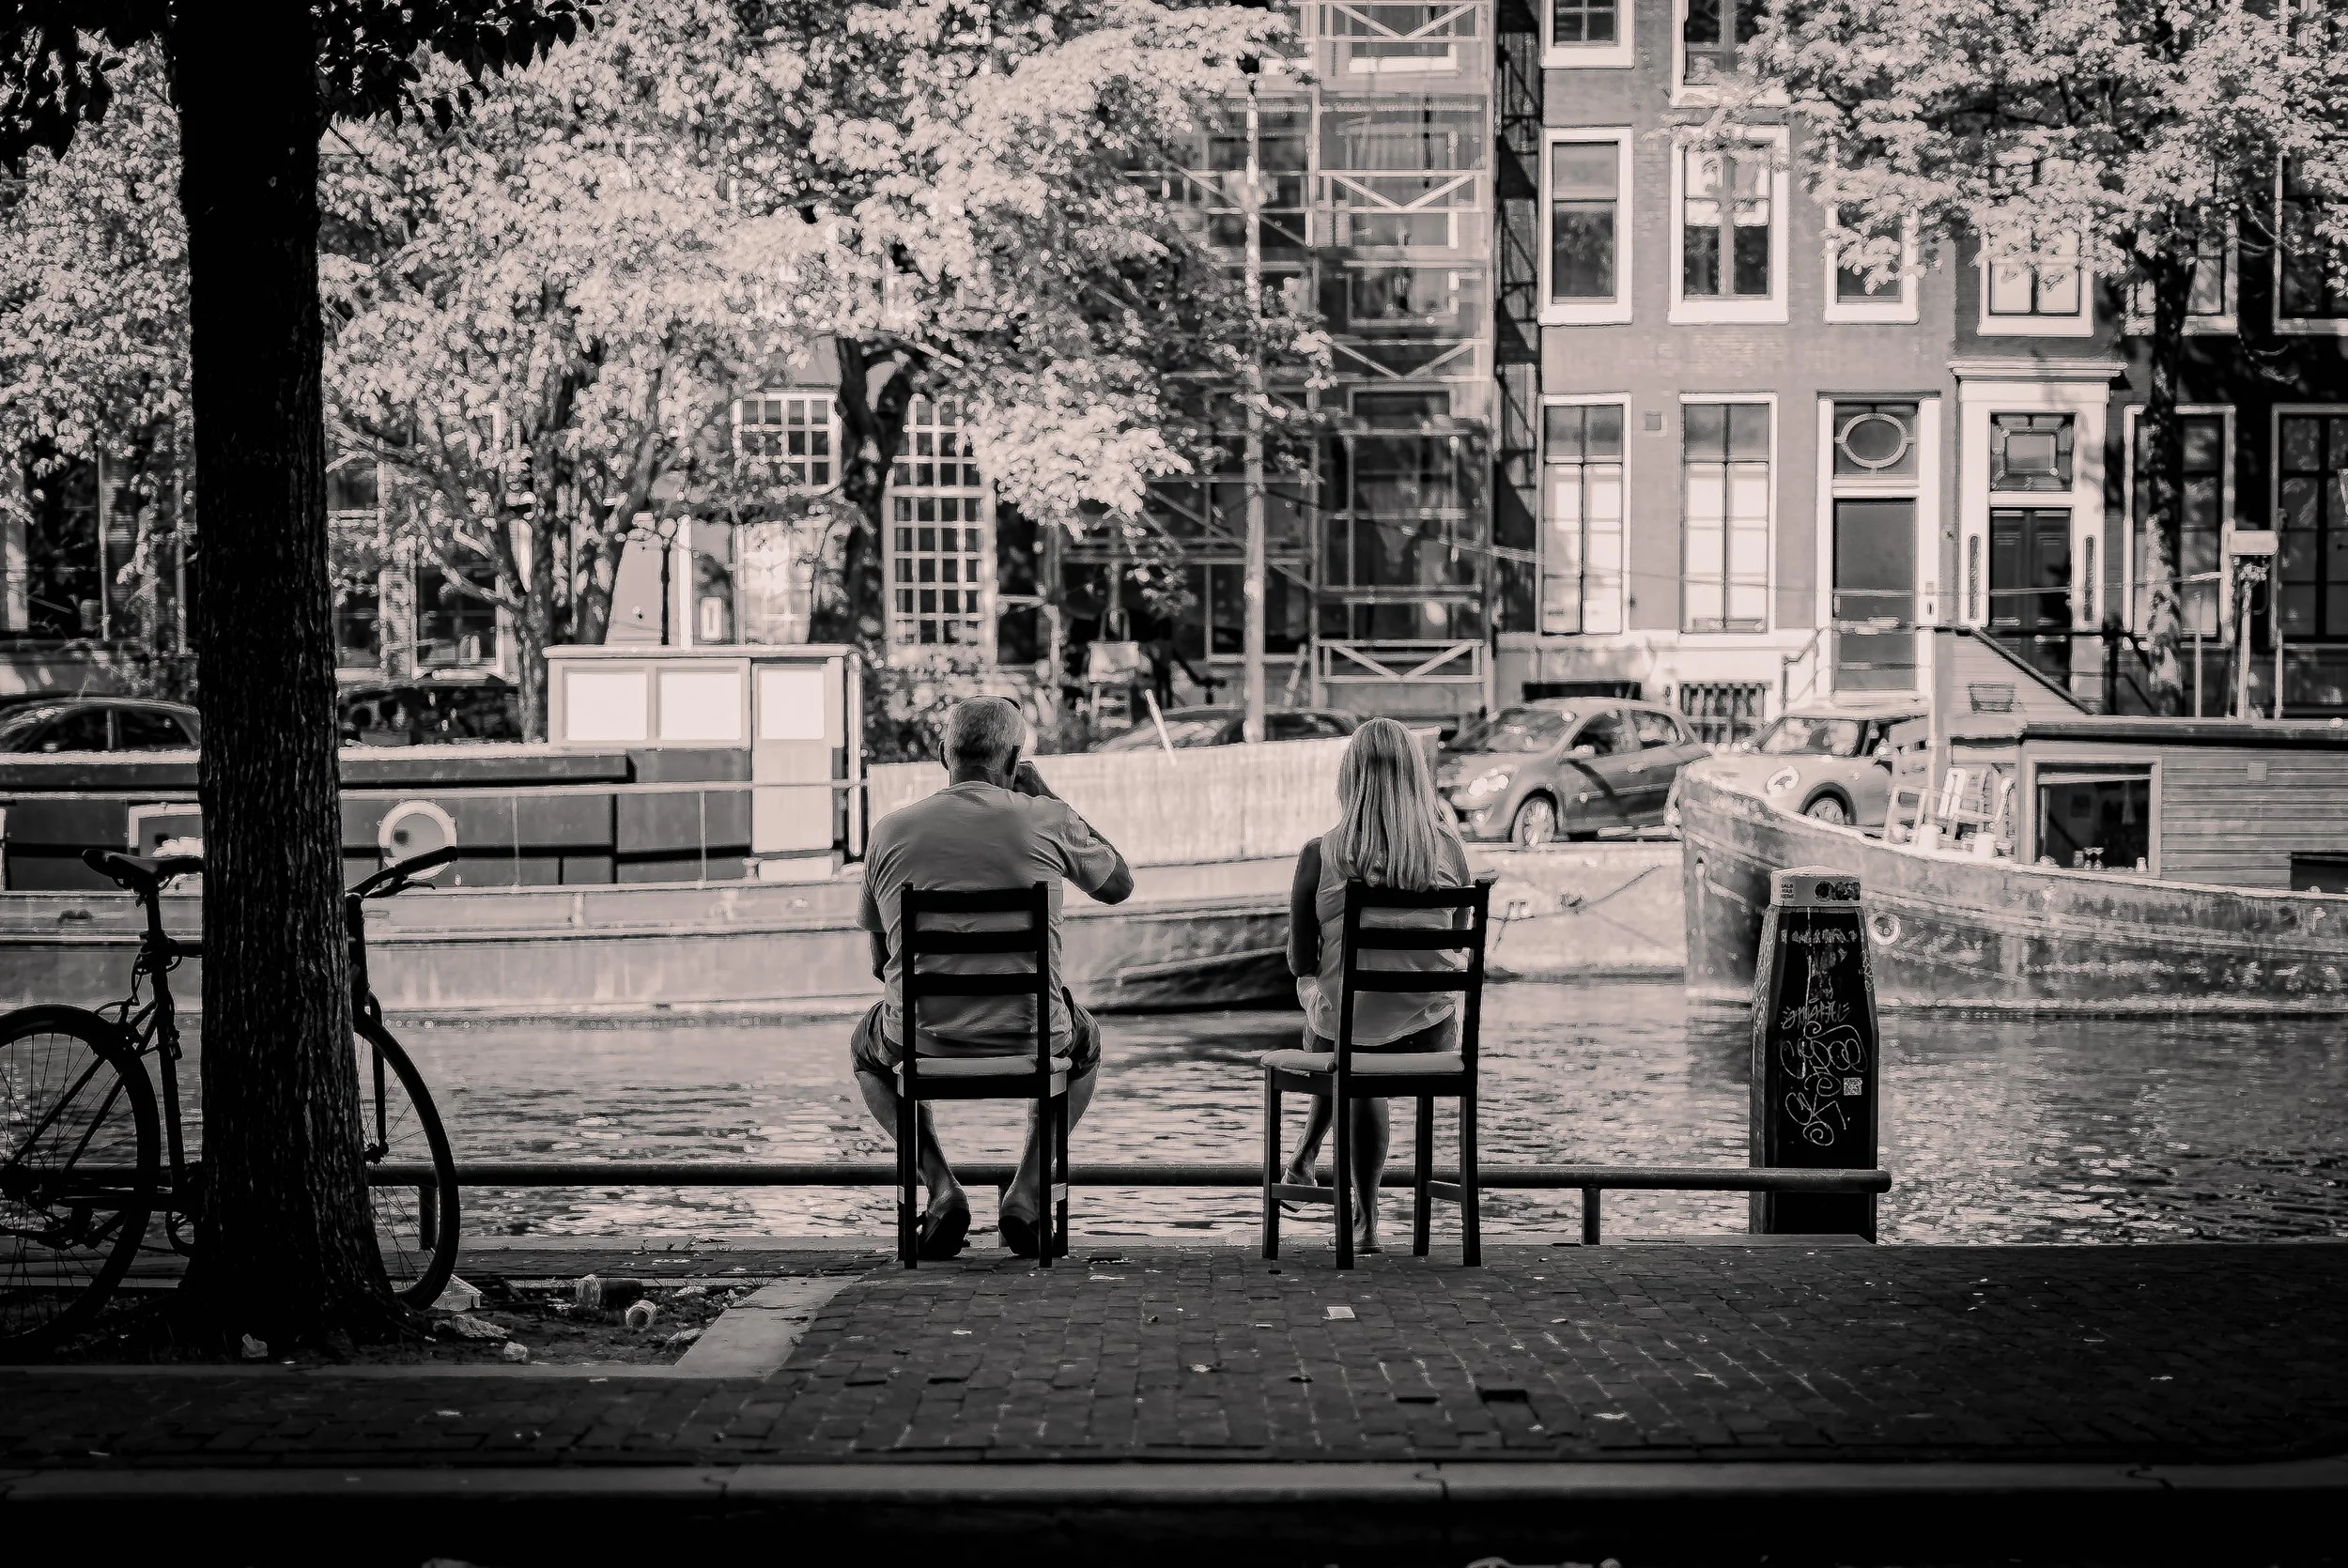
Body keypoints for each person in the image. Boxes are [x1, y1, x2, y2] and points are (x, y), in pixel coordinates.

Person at [852, 696, 1135, 1258]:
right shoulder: (1046, 819)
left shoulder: (889, 832)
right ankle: (1026, 1194)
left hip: (922, 1036)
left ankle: (940, 1190)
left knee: (866, 1054)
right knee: (1087, 1043)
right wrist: (1045, 795)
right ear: (1015, 759)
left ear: (943, 755)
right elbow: (1118, 883)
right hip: (1034, 1035)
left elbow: (877, 963)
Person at [1277, 715, 1470, 1254]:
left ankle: (1361, 1209)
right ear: (1416, 777)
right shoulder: (1449, 851)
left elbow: (1299, 961)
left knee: (1336, 1019)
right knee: (1365, 1034)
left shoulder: (1320, 853)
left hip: (1349, 1038)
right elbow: (1456, 942)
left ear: (1350, 777)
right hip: (1434, 1040)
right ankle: (1311, 1162)